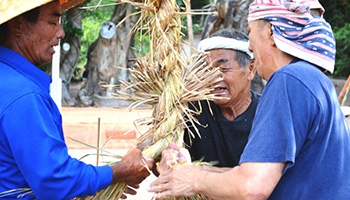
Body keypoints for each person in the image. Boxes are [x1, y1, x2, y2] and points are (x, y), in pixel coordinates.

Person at [149, 0, 350, 199]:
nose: (250, 46)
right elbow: (260, 176)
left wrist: (193, 180)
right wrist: (190, 170)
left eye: (250, 31)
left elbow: (252, 186)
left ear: (270, 31)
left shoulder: (288, 79)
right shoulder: (312, 79)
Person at [0, 1, 153, 199]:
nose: (61, 32)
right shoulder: (23, 96)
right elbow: (55, 180)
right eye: (53, 22)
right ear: (18, 26)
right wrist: (120, 171)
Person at [184, 28, 260, 168]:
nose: (212, 78)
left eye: (223, 69)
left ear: (250, 69)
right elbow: (156, 144)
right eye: (207, 70)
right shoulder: (193, 110)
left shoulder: (267, 112)